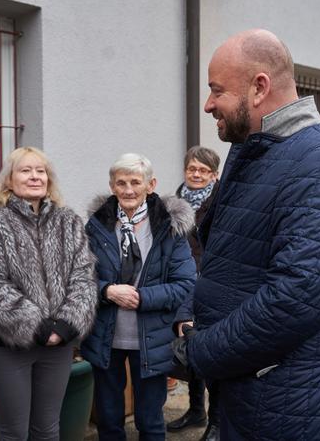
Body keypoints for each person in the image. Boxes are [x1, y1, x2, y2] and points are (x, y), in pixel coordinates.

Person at [172, 29, 320, 440]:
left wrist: (200, 352)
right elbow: (223, 260)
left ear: (259, 87)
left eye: (217, 91)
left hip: (289, 408)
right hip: (246, 394)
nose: (208, 105)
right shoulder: (256, 151)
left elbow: (294, 299)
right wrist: (191, 312)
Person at [0, 146, 98, 441]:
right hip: (9, 347)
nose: (35, 176)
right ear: (9, 181)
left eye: (41, 171)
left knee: (48, 429)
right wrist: (36, 326)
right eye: (25, 170)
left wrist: (65, 325)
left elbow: (84, 278)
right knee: (14, 433)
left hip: (59, 347)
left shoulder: (69, 222)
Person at [81, 153, 197, 441]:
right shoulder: (96, 227)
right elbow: (78, 278)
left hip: (152, 338)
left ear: (150, 184)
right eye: (121, 182)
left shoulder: (170, 228)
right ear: (112, 186)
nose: (129, 189)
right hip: (105, 336)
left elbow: (185, 283)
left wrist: (143, 297)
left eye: (136, 182)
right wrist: (107, 290)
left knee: (151, 420)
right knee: (108, 419)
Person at [168, 146, 220, 441]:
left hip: (211, 283)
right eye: (192, 169)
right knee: (188, 347)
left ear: (214, 174)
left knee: (210, 352)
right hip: (182, 282)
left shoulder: (222, 201)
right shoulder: (174, 203)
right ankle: (196, 409)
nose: (196, 174)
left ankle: (216, 421)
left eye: (203, 170)